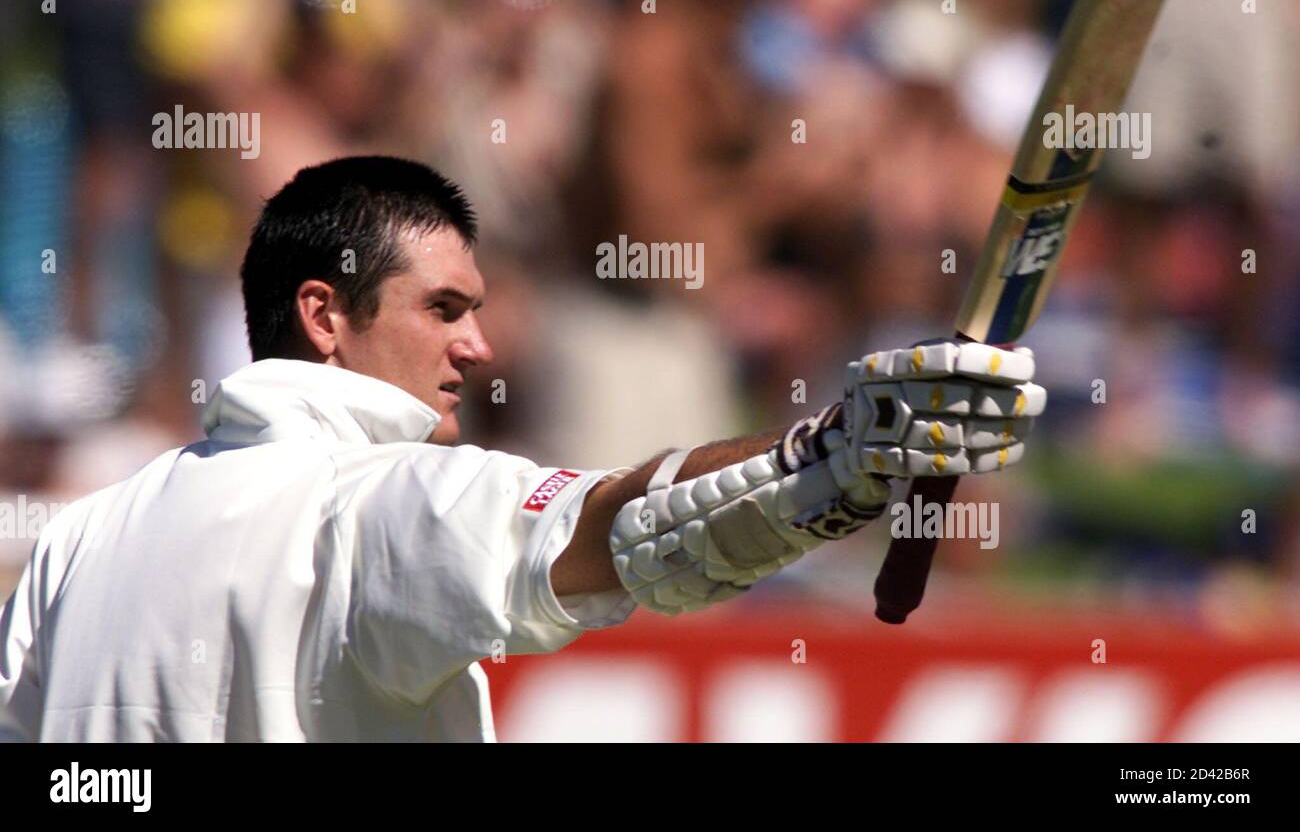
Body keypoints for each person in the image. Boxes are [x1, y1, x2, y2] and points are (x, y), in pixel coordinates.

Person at [0, 156, 1046, 742]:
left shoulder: (76, 542)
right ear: (324, 315)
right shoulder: (372, 504)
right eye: (444, 308)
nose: (478, 345)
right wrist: (841, 457)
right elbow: (637, 529)